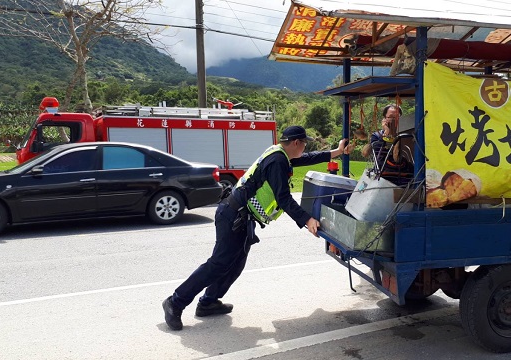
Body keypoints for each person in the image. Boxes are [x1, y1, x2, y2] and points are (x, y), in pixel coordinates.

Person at [162, 125, 354, 330]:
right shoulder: (278, 161)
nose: (305, 148)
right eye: (304, 143)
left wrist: (338, 152)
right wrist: (307, 220)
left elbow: (307, 158)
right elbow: (283, 198)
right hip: (233, 215)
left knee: (235, 264)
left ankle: (208, 302)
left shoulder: (280, 153)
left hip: (240, 216)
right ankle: (175, 302)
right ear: (296, 143)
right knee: (218, 263)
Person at [361, 104, 414, 184]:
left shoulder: (406, 135)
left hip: (405, 176)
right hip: (385, 177)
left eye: (397, 117)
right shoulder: (376, 136)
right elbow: (378, 156)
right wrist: (386, 132)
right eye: (390, 117)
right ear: (384, 119)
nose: (394, 120)